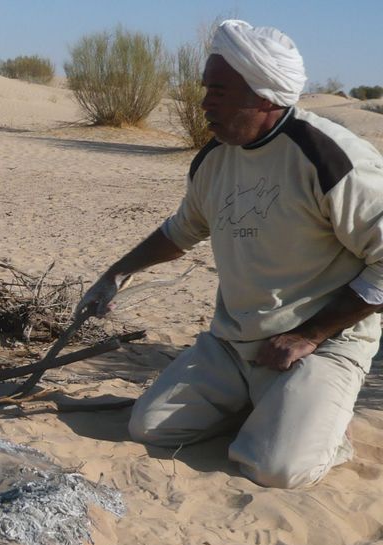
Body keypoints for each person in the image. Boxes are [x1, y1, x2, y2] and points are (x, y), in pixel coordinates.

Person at [79, 19, 383, 489]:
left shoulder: (331, 159)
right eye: (206, 89)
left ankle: (321, 429)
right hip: (233, 344)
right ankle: (272, 410)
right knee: (151, 427)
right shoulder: (214, 158)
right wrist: (116, 273)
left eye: (217, 91)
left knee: (278, 469)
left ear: (264, 96)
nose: (204, 103)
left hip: (321, 345)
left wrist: (310, 334)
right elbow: (181, 231)